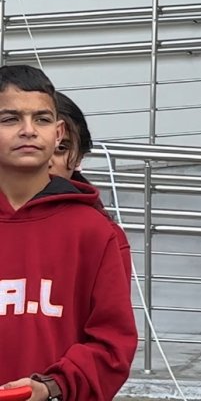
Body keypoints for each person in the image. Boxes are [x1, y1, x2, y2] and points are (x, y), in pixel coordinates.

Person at [0, 66, 137, 401]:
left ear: (58, 133)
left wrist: (53, 386)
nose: (28, 130)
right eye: (10, 119)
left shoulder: (94, 232)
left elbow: (113, 343)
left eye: (42, 119)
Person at [50, 90, 133, 281]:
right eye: (35, 145)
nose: (46, 159)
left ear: (79, 157)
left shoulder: (101, 234)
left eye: (61, 148)